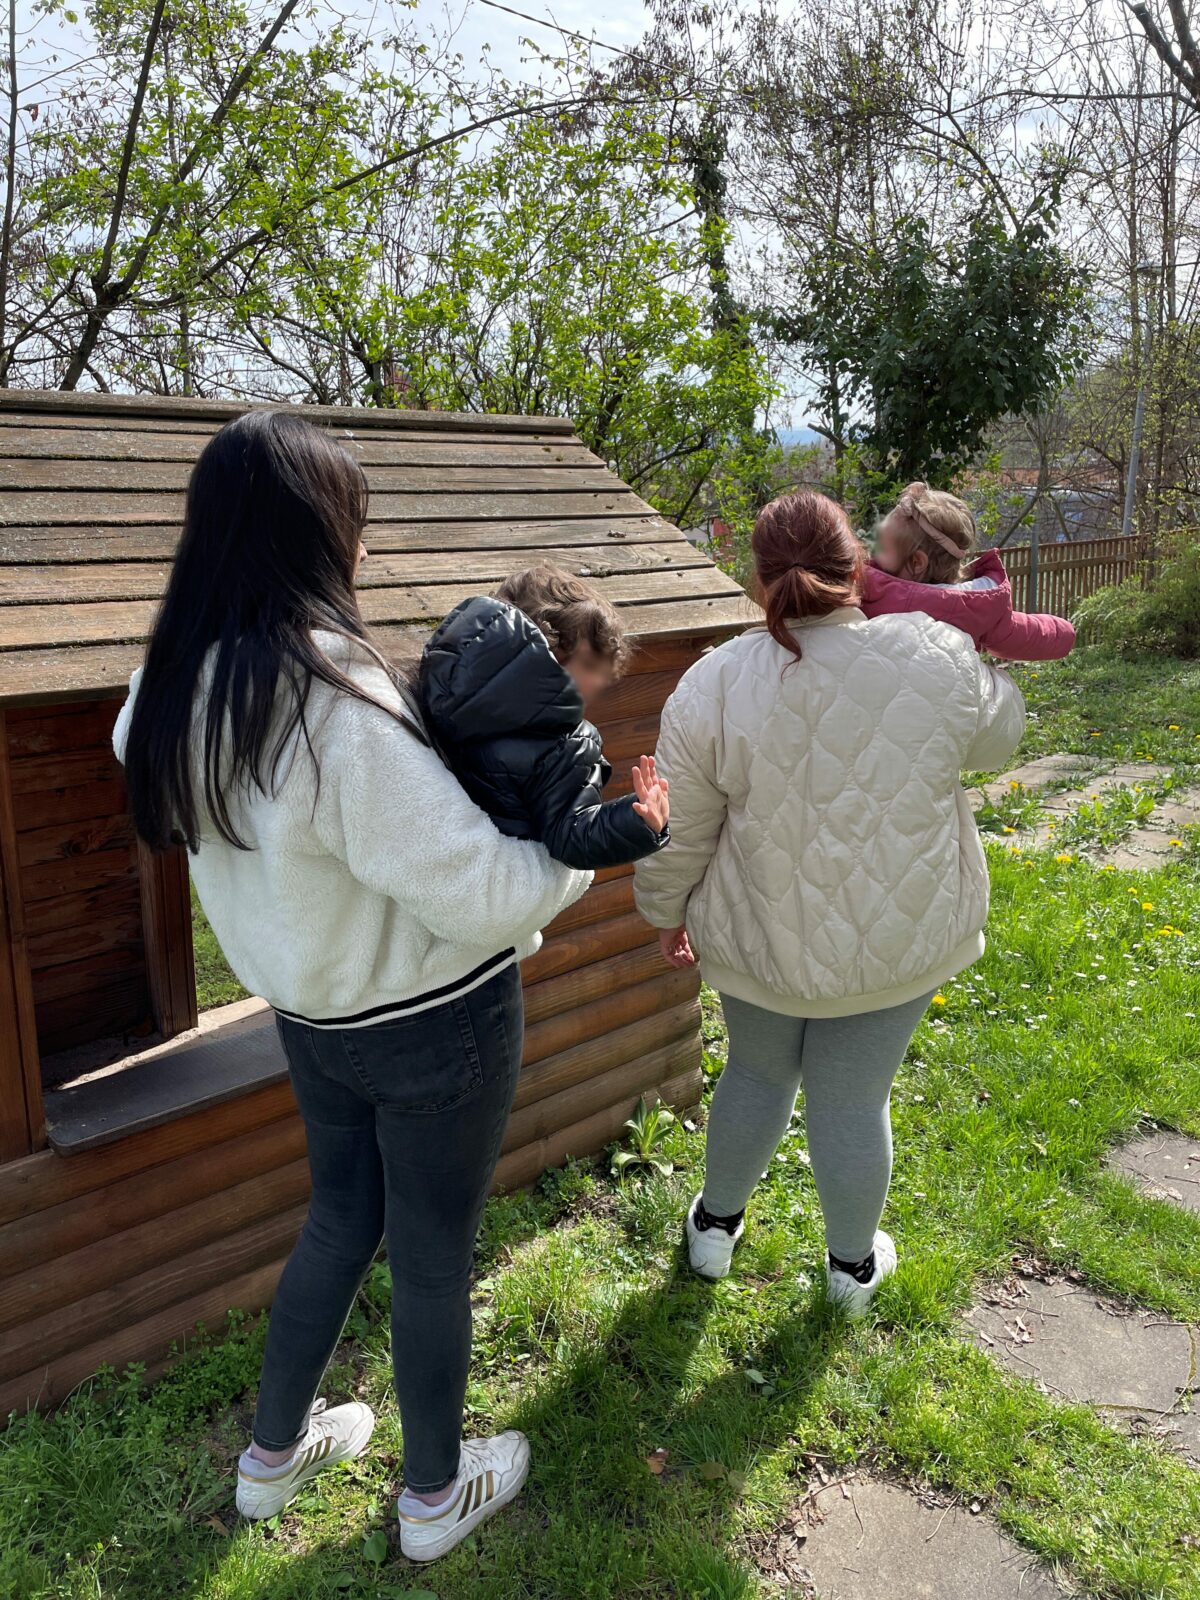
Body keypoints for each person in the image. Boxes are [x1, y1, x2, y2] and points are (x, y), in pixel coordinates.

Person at [113, 411, 591, 1563]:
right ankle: (434, 1495)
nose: (362, 551)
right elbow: (482, 893)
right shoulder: (333, 703)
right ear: (310, 540)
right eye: (351, 527)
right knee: (431, 1250)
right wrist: (579, 842)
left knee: (339, 1215)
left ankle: (270, 1460)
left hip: (312, 1018)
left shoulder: (169, 689)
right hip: (437, 1021)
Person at [633, 491, 1026, 1315]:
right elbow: (1000, 737)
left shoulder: (716, 679)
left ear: (757, 575)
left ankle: (713, 1230)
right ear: (859, 563)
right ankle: (849, 1272)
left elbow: (682, 826)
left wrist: (664, 913)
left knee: (755, 1072)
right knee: (853, 1098)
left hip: (760, 938)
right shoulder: (938, 650)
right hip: (899, 937)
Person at [420, 564, 670, 868]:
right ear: (546, 652)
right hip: (509, 887)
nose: (600, 683)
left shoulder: (441, 684)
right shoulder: (566, 741)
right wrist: (639, 821)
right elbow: (573, 837)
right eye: (591, 666)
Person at [861, 481, 1075, 661]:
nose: (872, 550)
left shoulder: (866, 592)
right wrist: (1065, 632)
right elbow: (1028, 634)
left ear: (917, 562)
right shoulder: (973, 607)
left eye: (882, 545)